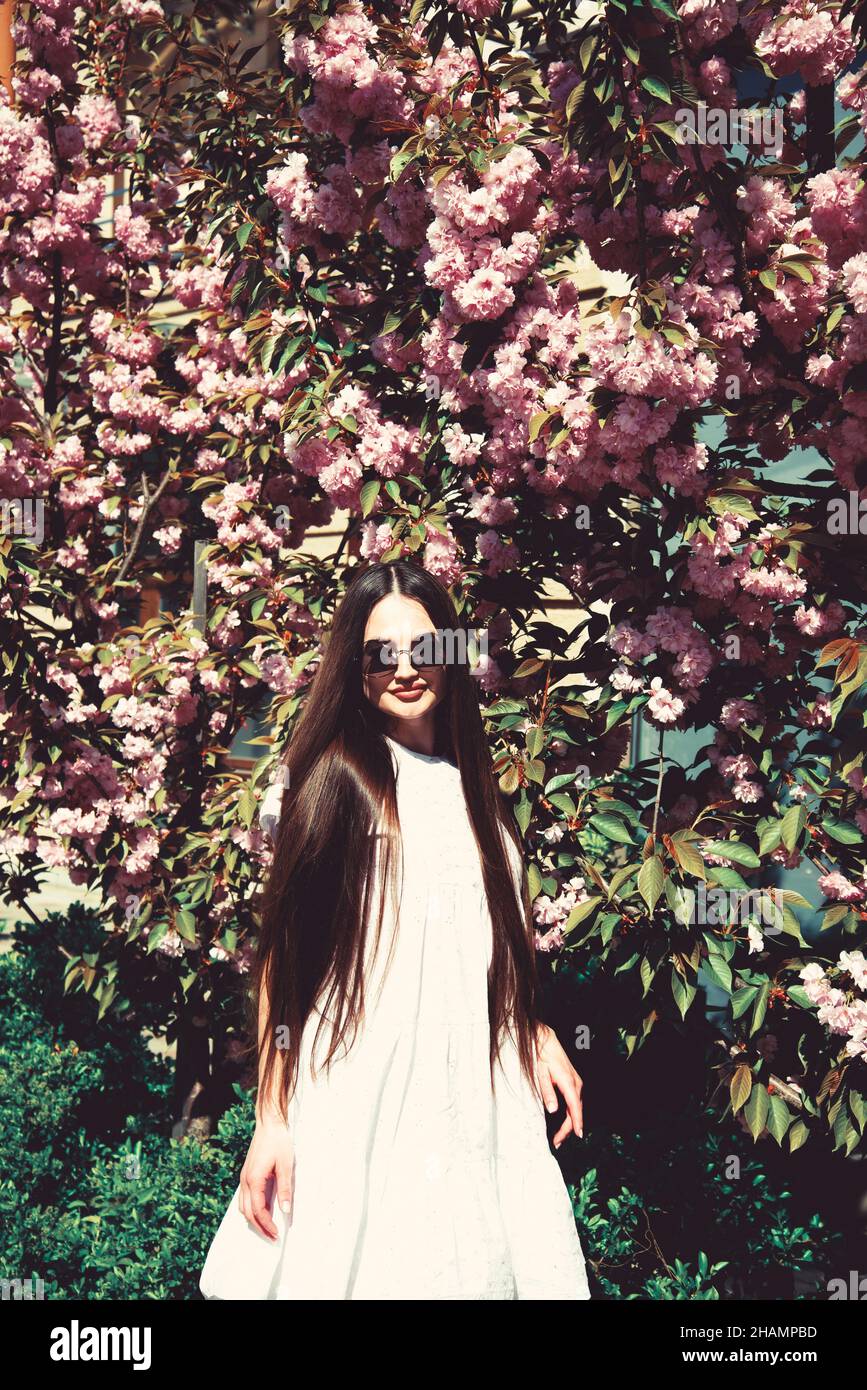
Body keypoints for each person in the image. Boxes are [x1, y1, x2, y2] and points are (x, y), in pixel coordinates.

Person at [200, 560, 591, 1300]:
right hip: (361, 1088)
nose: (406, 669)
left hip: (474, 1086)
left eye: (426, 647)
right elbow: (285, 966)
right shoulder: (334, 781)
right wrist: (272, 1119)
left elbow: (477, 936)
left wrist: (528, 1026)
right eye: (381, 654)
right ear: (356, 666)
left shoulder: (478, 787)